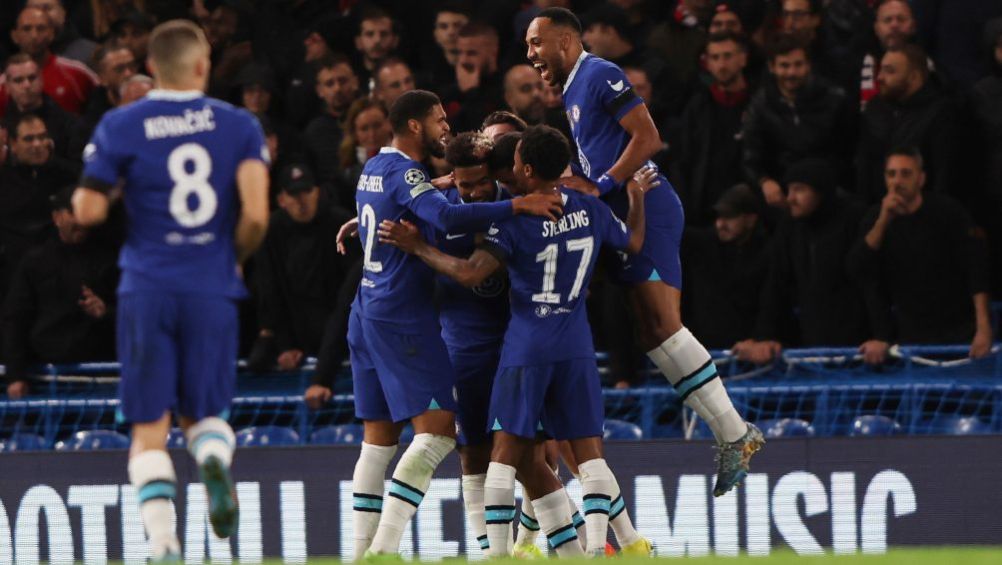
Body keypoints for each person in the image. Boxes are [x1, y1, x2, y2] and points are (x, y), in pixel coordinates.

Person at [377, 124, 651, 558]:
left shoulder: (515, 217)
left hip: (522, 349)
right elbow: (633, 242)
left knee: (516, 459)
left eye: (484, 180)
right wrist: (636, 195)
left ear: (513, 170)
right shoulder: (584, 207)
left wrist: (418, 248)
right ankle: (600, 549)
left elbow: (470, 273)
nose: (471, 192)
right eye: (462, 184)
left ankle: (507, 554)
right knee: (565, 456)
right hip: (564, 344)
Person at [526, 7, 762, 497]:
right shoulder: (572, 89)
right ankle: (731, 433)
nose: (531, 55)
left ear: (566, 39)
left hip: (647, 205)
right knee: (651, 332)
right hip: (626, 209)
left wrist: (605, 183)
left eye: (536, 43)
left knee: (663, 324)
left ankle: (736, 433)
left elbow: (647, 137)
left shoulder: (599, 73)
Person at [71, 20, 271, 560]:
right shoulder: (240, 125)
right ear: (203, 65)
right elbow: (255, 214)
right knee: (205, 416)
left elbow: (86, 210)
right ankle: (211, 456)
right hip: (211, 285)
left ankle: (163, 544)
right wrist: (231, 259)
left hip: (147, 286)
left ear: (152, 67)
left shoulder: (122, 124)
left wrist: (113, 186)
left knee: (148, 428)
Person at [343, 90, 563, 558]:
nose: (447, 125)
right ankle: (384, 550)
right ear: (416, 126)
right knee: (441, 434)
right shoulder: (414, 177)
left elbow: (411, 201)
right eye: (439, 118)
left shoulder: (374, 170)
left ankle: (361, 552)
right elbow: (442, 215)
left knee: (378, 441)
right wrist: (516, 207)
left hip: (365, 311)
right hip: (404, 317)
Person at [848, 148, 993, 363]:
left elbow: (977, 271)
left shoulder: (948, 212)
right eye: (891, 174)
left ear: (921, 178)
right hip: (908, 337)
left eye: (906, 174)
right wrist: (883, 220)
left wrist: (984, 328)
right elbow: (857, 268)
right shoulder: (874, 218)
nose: (897, 181)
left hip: (959, 331)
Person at [734, 158, 869, 363]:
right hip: (811, 343)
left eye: (799, 190)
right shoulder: (790, 227)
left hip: (859, 346)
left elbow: (870, 282)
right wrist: (764, 337)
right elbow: (776, 285)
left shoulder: (853, 220)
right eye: (789, 190)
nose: (791, 198)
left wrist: (880, 336)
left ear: (820, 192)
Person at [3, 185, 118, 400]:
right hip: (44, 377)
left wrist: (104, 312)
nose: (79, 221)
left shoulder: (110, 260)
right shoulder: (35, 261)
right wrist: (15, 375)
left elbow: (133, 317)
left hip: (101, 376)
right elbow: (16, 319)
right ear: (57, 217)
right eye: (73, 213)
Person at [250, 163, 350, 372]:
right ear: (282, 199)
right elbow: (270, 289)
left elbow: (350, 293)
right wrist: (286, 345)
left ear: (318, 192)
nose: (301, 200)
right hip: (295, 333)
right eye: (294, 194)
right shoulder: (271, 231)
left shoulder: (341, 225)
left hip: (342, 334)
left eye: (307, 191)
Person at [742, 34, 853, 208]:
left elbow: (846, 152)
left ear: (808, 65)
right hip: (781, 189)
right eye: (784, 66)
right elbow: (751, 156)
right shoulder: (760, 106)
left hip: (826, 188)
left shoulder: (834, 100)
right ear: (772, 67)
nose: (791, 72)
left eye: (798, 65)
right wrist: (764, 181)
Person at [856, 43, 957, 203]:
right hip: (878, 210)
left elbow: (944, 174)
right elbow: (864, 164)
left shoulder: (941, 113)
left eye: (890, 71)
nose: (880, 77)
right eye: (881, 69)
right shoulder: (875, 107)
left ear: (914, 77)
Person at [672, 31, 751, 226]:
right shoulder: (697, 107)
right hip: (704, 212)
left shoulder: (759, 103)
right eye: (715, 58)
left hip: (749, 209)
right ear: (707, 63)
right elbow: (683, 160)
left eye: (728, 56)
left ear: (743, 59)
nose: (722, 65)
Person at [681, 184, 769, 348]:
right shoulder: (703, 246)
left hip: (747, 350)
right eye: (719, 217)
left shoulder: (766, 254)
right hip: (706, 349)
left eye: (730, 217)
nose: (720, 224)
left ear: (750, 219)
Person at [0, 114, 79, 296]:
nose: (37, 144)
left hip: (60, 271)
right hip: (11, 272)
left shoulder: (68, 175)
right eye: (29, 139)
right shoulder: (4, 179)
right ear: (13, 144)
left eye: (42, 137)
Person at [1, 7, 98, 115]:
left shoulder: (78, 73)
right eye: (27, 29)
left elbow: (104, 102)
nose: (34, 35)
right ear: (15, 36)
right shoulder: (2, 85)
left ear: (52, 33)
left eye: (41, 28)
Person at [2, 54, 80, 160]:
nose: (26, 85)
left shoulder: (69, 125)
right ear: (7, 86)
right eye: (18, 80)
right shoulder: (3, 129)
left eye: (32, 78)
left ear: (42, 80)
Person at [304, 54, 360, 186]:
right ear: (320, 90)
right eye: (330, 84)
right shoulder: (315, 131)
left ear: (355, 82)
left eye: (343, 81)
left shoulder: (373, 118)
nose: (337, 88)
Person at [440, 21, 503, 132]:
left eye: (471, 53)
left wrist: (471, 94)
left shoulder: (507, 87)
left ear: (493, 52)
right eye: (459, 52)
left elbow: (486, 134)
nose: (463, 60)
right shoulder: (448, 93)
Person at [337, 98, 391, 205]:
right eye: (364, 129)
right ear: (355, 133)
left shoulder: (409, 157)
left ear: (389, 124)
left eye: (377, 125)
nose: (372, 134)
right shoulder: (347, 173)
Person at [26, 0, 97, 65]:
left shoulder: (91, 54)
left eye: (47, 8)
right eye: (33, 9)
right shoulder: (23, 56)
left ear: (63, 12)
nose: (40, 15)